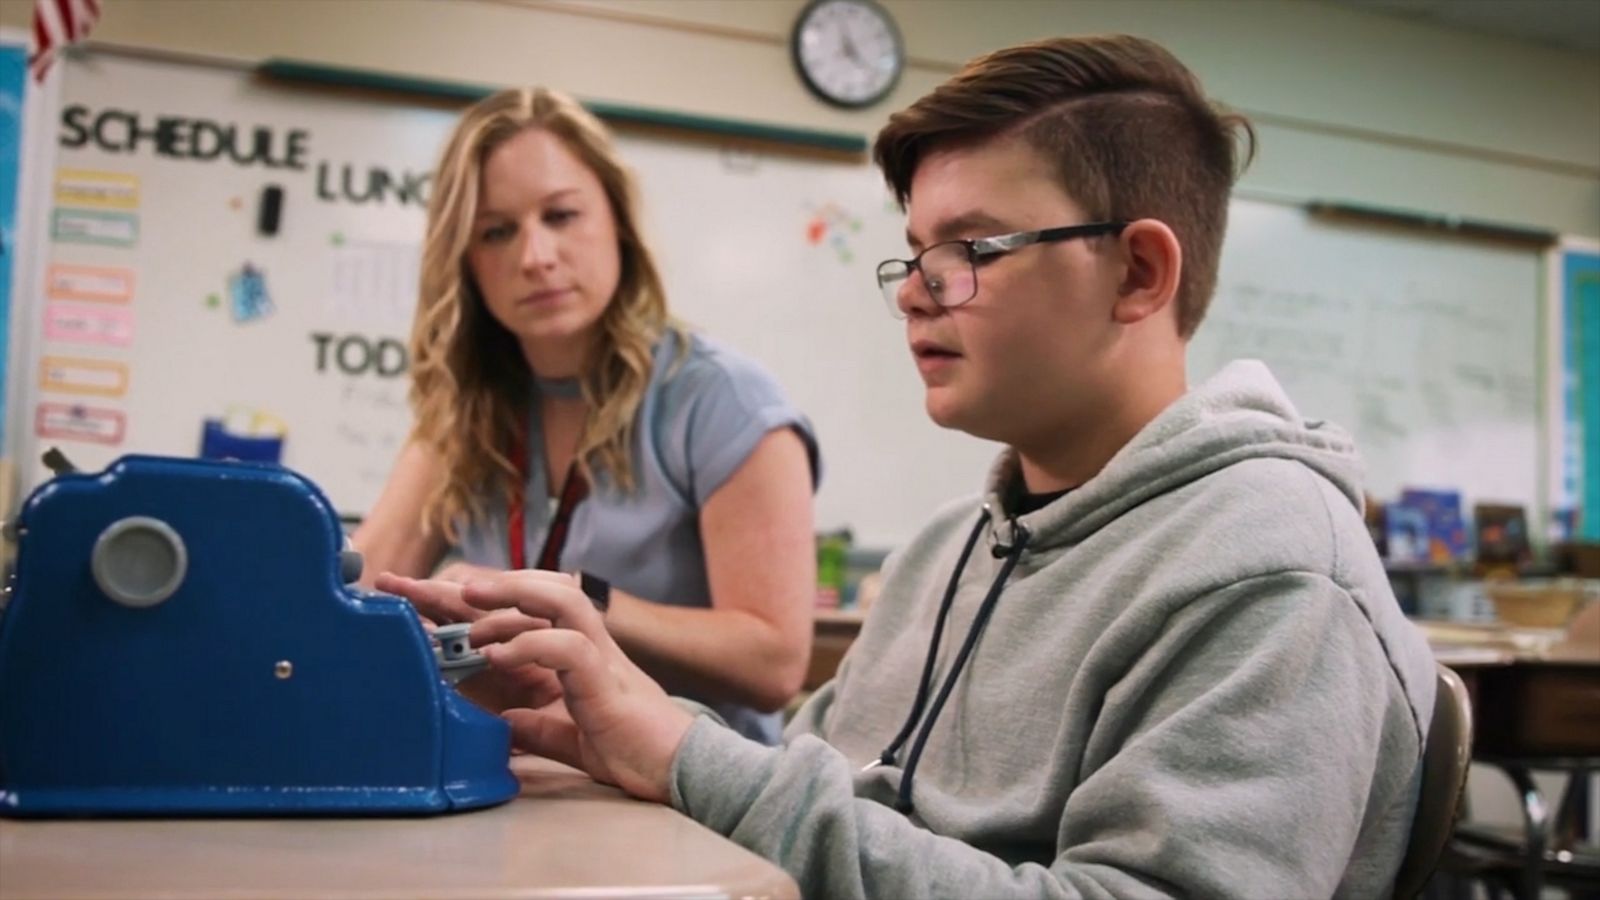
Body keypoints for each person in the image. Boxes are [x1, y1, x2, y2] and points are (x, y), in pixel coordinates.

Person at [380, 35, 1438, 899]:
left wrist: (679, 755)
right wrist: (609, 724)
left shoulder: (1273, 573)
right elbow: (812, 785)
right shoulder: (950, 550)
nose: (914, 292)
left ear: (1139, 271)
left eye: (970, 252)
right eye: (914, 252)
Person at [354, 87, 819, 745]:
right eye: (497, 231)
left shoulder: (725, 400)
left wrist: (576, 598)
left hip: (696, 804)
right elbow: (362, 589)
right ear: (466, 264)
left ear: (618, 223)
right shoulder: (468, 409)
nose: (535, 256)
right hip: (525, 772)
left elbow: (774, 663)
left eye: (562, 215)